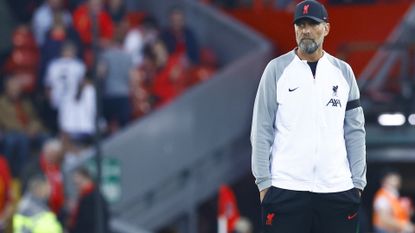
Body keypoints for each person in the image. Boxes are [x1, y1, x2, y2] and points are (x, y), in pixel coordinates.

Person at [250, 1, 366, 233]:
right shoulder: (276, 70)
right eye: (300, 25)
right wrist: (264, 183)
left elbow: (355, 130)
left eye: (312, 24)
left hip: (337, 190)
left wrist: (357, 184)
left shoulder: (343, 72)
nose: (305, 30)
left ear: (326, 28)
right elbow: (261, 129)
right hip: (285, 189)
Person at [69, 167, 110, 233]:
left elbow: (85, 223)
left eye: (79, 183)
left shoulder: (90, 198)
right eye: (75, 184)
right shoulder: (90, 196)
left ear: (87, 179)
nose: (77, 187)